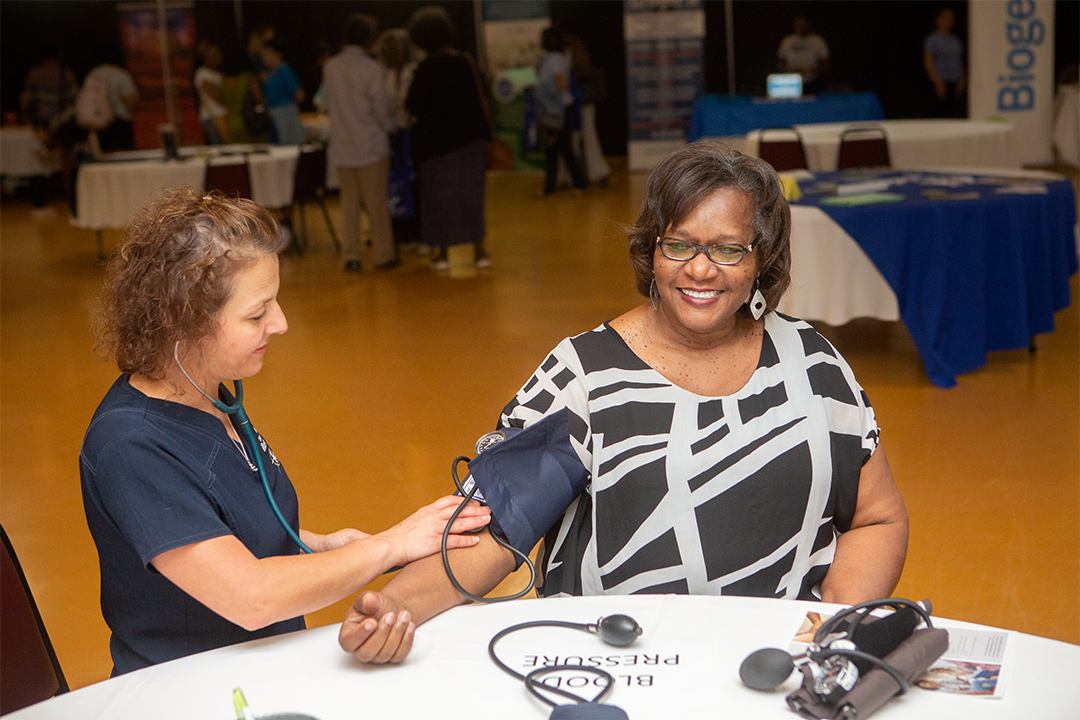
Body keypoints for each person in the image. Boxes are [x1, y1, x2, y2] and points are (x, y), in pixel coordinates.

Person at [337, 142, 909, 663]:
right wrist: (395, 608)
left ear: (763, 258)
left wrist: (829, 630)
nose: (701, 268)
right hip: (625, 672)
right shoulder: (585, 378)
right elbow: (491, 533)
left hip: (776, 673)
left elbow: (877, 517)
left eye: (728, 250)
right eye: (679, 244)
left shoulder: (814, 365)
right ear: (652, 250)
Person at [80, 187, 489, 675]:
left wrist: (320, 546)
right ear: (178, 318)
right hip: (193, 686)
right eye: (257, 313)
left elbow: (226, 526)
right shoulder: (131, 446)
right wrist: (389, 546)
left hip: (260, 662)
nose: (281, 323)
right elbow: (250, 596)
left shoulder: (209, 393)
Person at [405, 6, 492, 270]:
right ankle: (480, 252)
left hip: (436, 146)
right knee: (471, 196)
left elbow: (412, 106)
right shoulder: (464, 61)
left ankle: (442, 255)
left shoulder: (425, 69)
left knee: (438, 200)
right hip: (470, 140)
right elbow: (481, 96)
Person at [322, 14, 398, 272]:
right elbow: (382, 109)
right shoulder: (371, 68)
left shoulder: (330, 66)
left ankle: (351, 256)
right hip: (370, 145)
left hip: (342, 145)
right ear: (369, 39)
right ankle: (383, 256)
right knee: (376, 203)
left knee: (349, 204)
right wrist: (391, 128)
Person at [535, 26, 588, 197]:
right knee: (552, 150)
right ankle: (549, 188)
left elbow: (561, 86)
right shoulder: (549, 58)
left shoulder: (556, 59)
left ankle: (579, 185)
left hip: (559, 111)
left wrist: (542, 89)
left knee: (565, 149)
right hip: (552, 110)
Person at [79, 57, 140, 152]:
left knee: (105, 156)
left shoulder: (93, 74)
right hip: (120, 121)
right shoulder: (120, 75)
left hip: (99, 120)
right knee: (124, 156)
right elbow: (129, 101)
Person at [259, 39, 305, 145]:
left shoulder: (284, 70)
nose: (264, 58)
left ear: (277, 54)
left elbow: (299, 95)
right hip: (273, 117)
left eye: (267, 54)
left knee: (287, 145)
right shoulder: (270, 73)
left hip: (285, 115)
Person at [923, 7, 966, 118]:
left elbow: (959, 61)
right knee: (940, 116)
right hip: (940, 82)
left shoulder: (955, 40)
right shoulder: (933, 39)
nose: (948, 20)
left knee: (954, 116)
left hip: (954, 83)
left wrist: (962, 80)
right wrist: (937, 82)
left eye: (950, 18)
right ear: (938, 20)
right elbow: (928, 62)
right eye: (945, 17)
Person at [777, 14, 830, 95]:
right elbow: (780, 61)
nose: (801, 26)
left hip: (811, 81)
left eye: (803, 24)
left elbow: (825, 62)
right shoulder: (787, 41)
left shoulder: (817, 40)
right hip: (791, 83)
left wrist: (811, 70)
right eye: (798, 24)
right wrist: (789, 71)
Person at [195, 42, 229, 145]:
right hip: (213, 118)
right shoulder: (202, 74)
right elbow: (219, 97)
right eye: (213, 55)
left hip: (225, 116)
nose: (217, 57)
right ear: (205, 57)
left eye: (218, 54)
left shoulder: (220, 73)